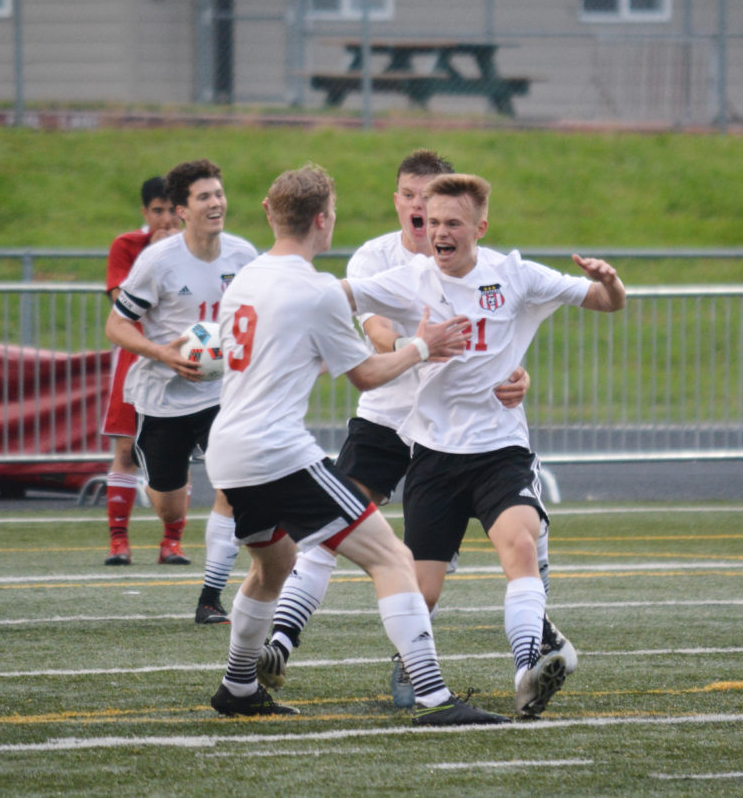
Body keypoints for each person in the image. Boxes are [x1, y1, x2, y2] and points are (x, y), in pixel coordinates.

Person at [257, 150, 575, 704]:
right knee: (333, 526)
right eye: (410, 196)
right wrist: (423, 347)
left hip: (465, 430)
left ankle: (535, 645)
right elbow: (376, 332)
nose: (421, 210)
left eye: (432, 201)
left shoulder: (483, 263)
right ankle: (281, 640)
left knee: (523, 538)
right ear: (399, 200)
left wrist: (515, 375)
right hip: (388, 419)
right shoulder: (375, 258)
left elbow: (500, 329)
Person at [205, 163, 507, 725]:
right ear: (323, 221)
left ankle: (238, 686)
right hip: (277, 453)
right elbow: (367, 374)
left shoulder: (246, 277)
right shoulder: (317, 290)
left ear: (272, 213)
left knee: (275, 566)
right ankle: (437, 698)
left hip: (228, 451)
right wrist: (423, 345)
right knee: (391, 557)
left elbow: (276, 352)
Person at [344, 172, 626, 717]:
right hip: (432, 456)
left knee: (520, 547)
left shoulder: (514, 274)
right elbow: (342, 296)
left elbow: (605, 301)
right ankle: (417, 669)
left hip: (500, 452)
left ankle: (528, 670)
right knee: (420, 592)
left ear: (480, 228)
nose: (439, 234)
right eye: (433, 224)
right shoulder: (410, 279)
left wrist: (610, 280)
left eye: (453, 224)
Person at [105, 159, 256, 624]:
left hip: (223, 396)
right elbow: (116, 324)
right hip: (164, 397)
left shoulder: (243, 256)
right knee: (169, 500)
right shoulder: (158, 261)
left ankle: (210, 597)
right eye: (204, 197)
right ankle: (173, 514)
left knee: (234, 487)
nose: (216, 203)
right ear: (182, 210)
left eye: (219, 194)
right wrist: (163, 353)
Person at [101, 176, 180, 565]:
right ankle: (119, 541)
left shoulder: (200, 250)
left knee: (176, 453)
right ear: (145, 213)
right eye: (157, 210)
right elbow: (123, 304)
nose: (165, 218)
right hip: (136, 358)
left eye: (172, 210)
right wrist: (154, 254)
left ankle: (172, 542)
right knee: (126, 449)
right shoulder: (128, 246)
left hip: (184, 361)